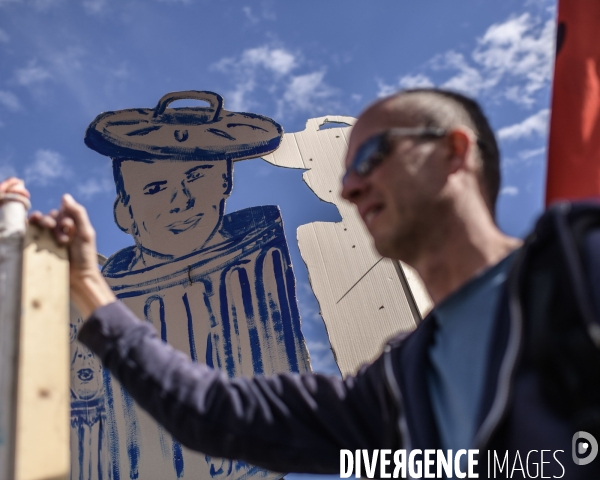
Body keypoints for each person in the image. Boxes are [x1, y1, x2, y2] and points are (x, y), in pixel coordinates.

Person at [21, 88, 600, 478]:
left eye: (371, 156)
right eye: (345, 172)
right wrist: (91, 285)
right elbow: (216, 413)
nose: (350, 187)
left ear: (454, 151)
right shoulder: (395, 389)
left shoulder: (578, 265)